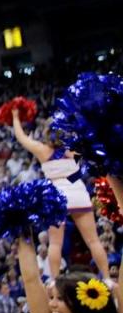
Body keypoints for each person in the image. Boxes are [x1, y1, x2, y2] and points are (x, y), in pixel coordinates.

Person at [10, 111, 112, 282]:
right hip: (78, 192)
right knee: (93, 241)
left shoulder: (42, 150)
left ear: (47, 132)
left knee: (55, 244)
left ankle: (55, 281)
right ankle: (108, 278)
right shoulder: (74, 149)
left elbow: (21, 137)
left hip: (56, 196)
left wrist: (15, 117)